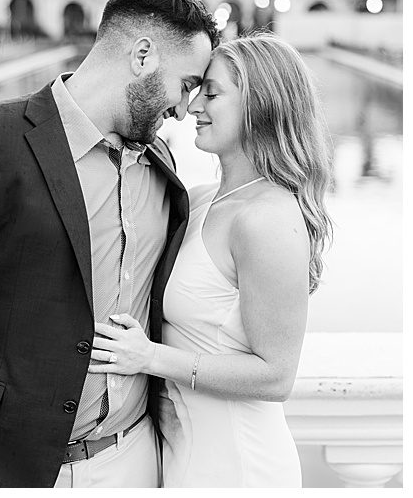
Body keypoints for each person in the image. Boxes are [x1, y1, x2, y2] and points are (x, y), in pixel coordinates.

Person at [0, 0, 218, 487]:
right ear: (142, 56)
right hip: (13, 467)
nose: (185, 110)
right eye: (186, 83)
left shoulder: (160, 163)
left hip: (133, 460)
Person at [88, 33, 333, 487]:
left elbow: (276, 376)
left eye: (212, 93)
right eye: (197, 88)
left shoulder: (267, 219)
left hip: (240, 467)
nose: (193, 106)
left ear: (261, 105)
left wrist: (148, 357)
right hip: (182, 456)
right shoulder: (200, 200)